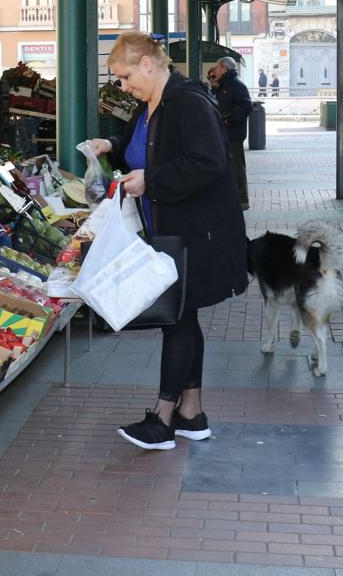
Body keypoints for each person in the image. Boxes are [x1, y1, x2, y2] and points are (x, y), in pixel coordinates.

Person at [86, 31, 246, 451]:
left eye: (124, 76)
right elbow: (147, 149)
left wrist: (150, 180)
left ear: (147, 65)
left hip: (194, 233)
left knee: (176, 320)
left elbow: (208, 161)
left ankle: (162, 418)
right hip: (171, 231)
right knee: (183, 317)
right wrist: (113, 144)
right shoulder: (151, 105)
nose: (122, 86)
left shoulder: (188, 102)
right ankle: (192, 414)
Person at [213, 56, 252, 210]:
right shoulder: (224, 85)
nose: (215, 70)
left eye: (217, 67)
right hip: (224, 134)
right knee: (225, 168)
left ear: (224, 68)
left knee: (236, 168)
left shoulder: (235, 85)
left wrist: (230, 120)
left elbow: (246, 106)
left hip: (233, 135)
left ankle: (242, 201)